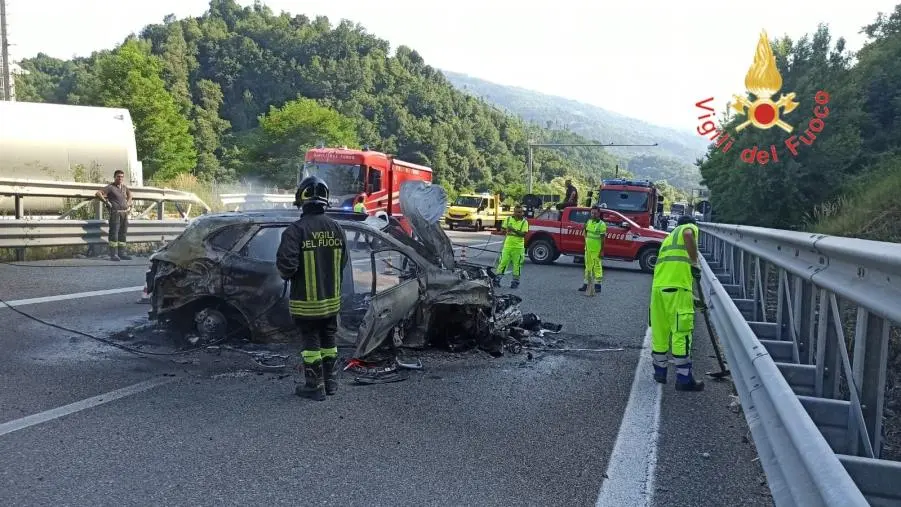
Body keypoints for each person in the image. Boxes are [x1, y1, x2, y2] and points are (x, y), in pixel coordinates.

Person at [276, 176, 349, 401]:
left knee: (311, 344)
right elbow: (344, 261)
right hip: (332, 301)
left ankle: (314, 387)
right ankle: (331, 383)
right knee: (329, 342)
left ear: (302, 201)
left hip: (306, 304)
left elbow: (286, 268)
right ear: (325, 202)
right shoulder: (337, 228)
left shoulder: (295, 231)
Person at [649, 215, 704, 391]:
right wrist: (694, 262)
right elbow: (689, 234)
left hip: (658, 290)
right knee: (681, 332)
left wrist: (692, 298)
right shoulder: (688, 228)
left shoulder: (668, 239)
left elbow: (672, 270)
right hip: (678, 290)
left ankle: (660, 372)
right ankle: (684, 379)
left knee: (660, 332)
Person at [95, 170, 133, 261]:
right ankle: (114, 254)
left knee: (123, 233)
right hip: (115, 213)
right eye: (118, 176)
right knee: (114, 234)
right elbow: (98, 193)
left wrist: (128, 203)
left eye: (122, 177)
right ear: (114, 177)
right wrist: (106, 202)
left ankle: (122, 253)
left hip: (124, 213)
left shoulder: (124, 187)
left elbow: (130, 194)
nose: (120, 178)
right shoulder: (110, 187)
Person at [494, 205, 529, 289]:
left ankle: (515, 282)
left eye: (520, 212)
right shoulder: (508, 219)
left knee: (517, 265)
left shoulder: (524, 222)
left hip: (518, 247)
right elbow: (503, 230)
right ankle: (497, 280)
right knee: (503, 263)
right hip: (507, 246)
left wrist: (512, 230)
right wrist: (506, 231)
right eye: (517, 212)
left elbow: (523, 234)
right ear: (514, 212)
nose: (519, 213)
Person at [580, 206, 606, 293]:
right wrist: (584, 229)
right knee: (587, 267)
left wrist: (602, 251)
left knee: (597, 267)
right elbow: (585, 233)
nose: (593, 214)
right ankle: (585, 284)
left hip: (596, 250)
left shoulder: (602, 224)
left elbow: (603, 239)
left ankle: (598, 285)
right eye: (592, 213)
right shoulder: (588, 221)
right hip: (587, 249)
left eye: (595, 213)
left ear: (599, 213)